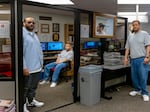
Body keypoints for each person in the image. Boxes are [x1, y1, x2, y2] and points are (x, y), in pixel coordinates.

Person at [124, 20, 150, 102]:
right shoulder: (130, 36)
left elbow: (148, 46)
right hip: (133, 59)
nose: (135, 26)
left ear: (139, 25)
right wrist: (125, 58)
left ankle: (145, 93)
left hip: (142, 59)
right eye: (133, 25)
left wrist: (147, 56)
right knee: (134, 77)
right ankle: (137, 90)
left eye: (136, 25)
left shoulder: (144, 34)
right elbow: (127, 48)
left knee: (143, 77)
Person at [23, 17, 44, 112]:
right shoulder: (22, 35)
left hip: (37, 67)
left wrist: (41, 63)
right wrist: (24, 67)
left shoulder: (34, 35)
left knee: (33, 87)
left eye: (33, 23)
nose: (31, 24)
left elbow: (39, 50)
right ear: (24, 23)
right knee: (25, 88)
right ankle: (22, 106)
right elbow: (20, 53)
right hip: (28, 68)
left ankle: (31, 101)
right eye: (29, 22)